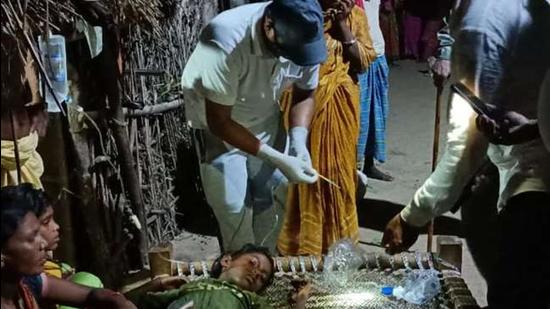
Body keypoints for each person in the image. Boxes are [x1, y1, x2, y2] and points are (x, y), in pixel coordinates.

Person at [382, 0, 550, 308]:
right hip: (521, 157)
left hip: (534, 183)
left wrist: (411, 217)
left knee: (517, 290)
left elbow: (467, 145)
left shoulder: (482, 18)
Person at [181, 0, 327, 253]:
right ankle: (239, 274)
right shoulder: (224, 39)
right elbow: (220, 122)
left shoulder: (304, 34)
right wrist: (278, 159)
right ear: (268, 25)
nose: (294, 58)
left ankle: (267, 266)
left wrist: (298, 142)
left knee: (273, 200)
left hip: (266, 119)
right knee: (233, 208)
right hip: (221, 131)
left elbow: (305, 93)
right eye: (288, 52)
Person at [277, 0, 376, 256]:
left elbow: (363, 62)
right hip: (303, 105)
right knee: (306, 173)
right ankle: (306, 246)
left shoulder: (356, 17)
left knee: (339, 172)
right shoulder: (302, 14)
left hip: (340, 105)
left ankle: (340, 243)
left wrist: (343, 26)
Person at [1, 184, 136, 309]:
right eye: (32, 238)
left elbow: (90, 295)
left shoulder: (27, 284)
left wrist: (116, 300)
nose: (42, 244)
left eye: (39, 233)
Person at [135, 244, 311, 309]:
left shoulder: (249, 300)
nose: (257, 273)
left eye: (262, 279)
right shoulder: (189, 288)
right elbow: (133, 301)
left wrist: (300, 302)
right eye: (253, 262)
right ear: (226, 261)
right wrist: (158, 283)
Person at [357, 0, 393, 182]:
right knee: (358, 117)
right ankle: (353, 168)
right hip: (359, 55)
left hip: (377, 53)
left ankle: (369, 164)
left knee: (377, 113)